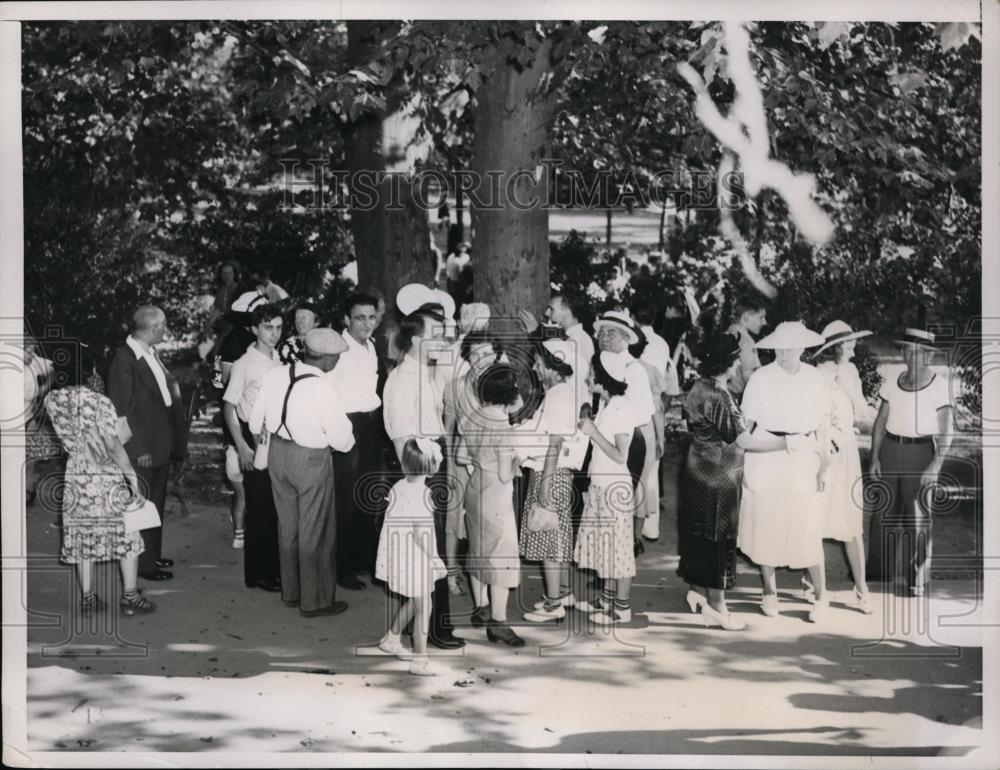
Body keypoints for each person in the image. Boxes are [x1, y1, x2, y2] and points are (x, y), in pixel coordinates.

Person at [678, 334, 789, 631]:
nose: (741, 361)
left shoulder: (699, 386)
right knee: (717, 538)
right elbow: (744, 440)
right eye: (737, 357)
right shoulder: (719, 394)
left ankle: (697, 591)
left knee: (699, 533)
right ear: (727, 363)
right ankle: (717, 607)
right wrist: (786, 443)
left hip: (697, 469)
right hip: (719, 476)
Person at [249, 328, 355, 617]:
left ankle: (292, 591)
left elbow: (253, 420)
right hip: (310, 459)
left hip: (277, 455)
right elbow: (342, 438)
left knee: (288, 525)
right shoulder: (323, 387)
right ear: (329, 360)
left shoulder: (276, 374)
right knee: (316, 530)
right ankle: (316, 601)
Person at [44, 344, 155, 617]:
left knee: (83, 536)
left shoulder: (52, 400)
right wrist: (131, 478)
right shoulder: (100, 402)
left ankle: (88, 598)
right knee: (128, 533)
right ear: (91, 371)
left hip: (76, 475)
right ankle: (130, 597)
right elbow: (113, 445)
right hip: (104, 476)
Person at [736, 321, 834, 622]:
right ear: (774, 347)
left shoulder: (815, 378)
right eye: (781, 346)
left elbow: (823, 425)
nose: (786, 352)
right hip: (767, 455)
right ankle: (769, 591)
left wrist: (825, 465)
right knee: (766, 524)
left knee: (807, 526)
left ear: (803, 348)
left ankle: (820, 596)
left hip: (804, 458)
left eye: (793, 346)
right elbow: (744, 427)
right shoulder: (760, 379)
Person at [382, 297, 466, 649]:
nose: (443, 342)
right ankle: (434, 633)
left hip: (432, 461)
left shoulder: (423, 373)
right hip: (419, 470)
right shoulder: (402, 380)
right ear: (417, 340)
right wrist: (417, 486)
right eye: (437, 335)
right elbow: (402, 439)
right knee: (426, 556)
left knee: (431, 557)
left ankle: (396, 635)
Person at [867, 327, 953, 598]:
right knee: (882, 514)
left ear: (928, 355)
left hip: (921, 453)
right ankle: (879, 573)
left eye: (918, 352)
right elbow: (880, 423)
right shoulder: (894, 380)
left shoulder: (940, 385)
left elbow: (947, 429)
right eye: (907, 350)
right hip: (891, 450)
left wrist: (936, 464)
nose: (912, 356)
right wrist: (874, 458)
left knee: (919, 518)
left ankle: (916, 579)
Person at [106, 305, 188, 582]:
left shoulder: (149, 353)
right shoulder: (124, 361)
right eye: (163, 326)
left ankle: (152, 553)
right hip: (143, 447)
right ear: (153, 329)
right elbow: (120, 412)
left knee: (155, 501)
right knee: (142, 503)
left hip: (160, 441)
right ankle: (143, 565)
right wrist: (137, 449)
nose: (166, 330)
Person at [457, 363, 525, 647]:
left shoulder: (472, 417)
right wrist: (519, 458)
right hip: (496, 495)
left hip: (475, 491)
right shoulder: (503, 427)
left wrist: (479, 460)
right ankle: (498, 622)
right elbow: (505, 473)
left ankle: (481, 607)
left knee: (477, 548)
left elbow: (461, 456)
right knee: (503, 558)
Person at [810, 320, 876, 612]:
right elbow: (818, 415)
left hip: (846, 450)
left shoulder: (850, 372)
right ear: (836, 347)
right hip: (825, 448)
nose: (852, 347)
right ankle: (812, 583)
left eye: (852, 341)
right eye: (848, 343)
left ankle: (861, 589)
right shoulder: (817, 375)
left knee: (850, 520)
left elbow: (860, 409)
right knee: (816, 514)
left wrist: (873, 416)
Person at [520, 339, 587, 622]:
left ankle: (553, 604)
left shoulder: (559, 394)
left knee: (549, 537)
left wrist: (545, 481)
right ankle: (560, 592)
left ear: (553, 365)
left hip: (553, 471)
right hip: (559, 471)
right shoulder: (567, 390)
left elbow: (555, 442)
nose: (535, 367)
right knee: (557, 536)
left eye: (539, 362)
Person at [325, 292, 387, 590]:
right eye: (360, 318)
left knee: (369, 495)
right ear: (347, 320)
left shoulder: (371, 346)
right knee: (345, 500)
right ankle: (342, 566)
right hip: (346, 426)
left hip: (370, 426)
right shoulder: (337, 350)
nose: (366, 323)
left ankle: (365, 560)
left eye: (371, 317)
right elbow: (327, 396)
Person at [375, 438, 451, 676]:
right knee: (424, 606)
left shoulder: (398, 486)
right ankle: (420, 659)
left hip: (400, 555)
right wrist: (435, 558)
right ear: (432, 467)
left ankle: (392, 639)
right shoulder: (424, 494)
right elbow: (421, 534)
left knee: (417, 598)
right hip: (416, 558)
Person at [573, 352, 639, 626]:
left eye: (592, 374)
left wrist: (592, 432)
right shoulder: (609, 404)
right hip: (601, 485)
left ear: (604, 378)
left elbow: (621, 455)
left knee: (619, 550)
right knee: (608, 548)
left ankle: (622, 608)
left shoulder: (621, 409)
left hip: (614, 488)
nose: (588, 378)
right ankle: (609, 599)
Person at [222, 304, 284, 591]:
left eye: (279, 328)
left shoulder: (278, 359)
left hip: (276, 435)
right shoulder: (245, 363)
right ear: (255, 329)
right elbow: (229, 406)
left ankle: (274, 568)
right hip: (254, 436)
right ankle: (258, 574)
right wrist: (242, 446)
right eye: (268, 328)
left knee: (274, 505)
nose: (274, 334)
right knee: (259, 506)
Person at [442, 328, 504, 596]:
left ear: (496, 355)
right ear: (467, 355)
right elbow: (448, 428)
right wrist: (448, 465)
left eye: (488, 353)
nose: (482, 358)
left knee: (490, 520)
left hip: (490, 464)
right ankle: (452, 573)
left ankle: (489, 575)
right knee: (454, 518)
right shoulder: (455, 387)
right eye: (476, 353)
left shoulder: (503, 383)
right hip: (460, 460)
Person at [593, 311, 657, 560]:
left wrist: (609, 399)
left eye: (611, 333)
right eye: (601, 332)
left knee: (622, 497)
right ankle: (610, 559)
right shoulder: (603, 362)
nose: (604, 338)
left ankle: (621, 557)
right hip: (610, 434)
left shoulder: (634, 369)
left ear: (626, 338)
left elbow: (640, 413)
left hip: (631, 438)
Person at [519, 293, 594, 411]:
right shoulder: (570, 337)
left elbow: (558, 369)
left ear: (565, 311)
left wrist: (536, 333)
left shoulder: (578, 339)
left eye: (551, 309)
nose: (546, 313)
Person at [628, 326, 667, 546]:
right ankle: (637, 535)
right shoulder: (651, 370)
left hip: (625, 429)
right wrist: (661, 438)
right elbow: (658, 409)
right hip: (646, 429)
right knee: (644, 480)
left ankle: (625, 534)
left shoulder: (620, 367)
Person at [725, 298, 768, 399]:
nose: (765, 322)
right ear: (746, 317)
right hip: (738, 397)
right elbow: (750, 379)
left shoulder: (729, 332)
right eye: (761, 317)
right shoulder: (746, 341)